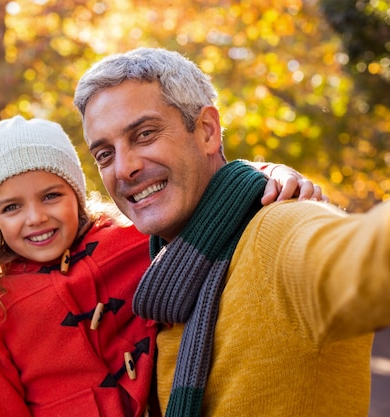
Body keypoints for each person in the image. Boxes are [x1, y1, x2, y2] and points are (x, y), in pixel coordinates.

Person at [73, 47, 390, 417]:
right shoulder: (161, 279)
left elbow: (367, 255)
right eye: (104, 154)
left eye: (144, 134)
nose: (123, 168)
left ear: (207, 131)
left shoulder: (278, 230)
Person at [0, 115, 324, 417]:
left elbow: (215, 199)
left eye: (51, 196)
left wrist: (270, 173)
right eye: (11, 207)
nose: (36, 217)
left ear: (76, 194)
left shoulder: (133, 241)